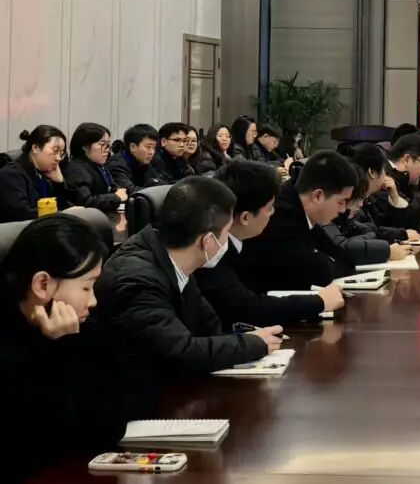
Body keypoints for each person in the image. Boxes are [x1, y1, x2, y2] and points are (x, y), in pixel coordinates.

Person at [0, 215, 153, 481]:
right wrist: (67, 349)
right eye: (86, 287)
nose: (93, 300)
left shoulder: (82, 325)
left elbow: (142, 387)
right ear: (42, 284)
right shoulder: (9, 351)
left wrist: (72, 345)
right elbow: (74, 435)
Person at [94, 176, 281, 377]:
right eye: (227, 232)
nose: (227, 241)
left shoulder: (174, 259)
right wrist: (252, 344)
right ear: (208, 241)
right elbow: (179, 353)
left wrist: (244, 339)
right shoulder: (137, 280)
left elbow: (209, 329)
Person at [194, 160, 344, 327]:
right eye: (270, 208)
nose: (274, 213)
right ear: (245, 217)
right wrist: (319, 302)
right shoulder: (211, 252)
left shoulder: (237, 241)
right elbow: (246, 308)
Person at [237, 150, 359, 292]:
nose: (343, 210)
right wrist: (327, 262)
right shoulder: (279, 215)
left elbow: (343, 258)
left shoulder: (298, 203)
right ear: (318, 196)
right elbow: (318, 274)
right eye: (341, 202)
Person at [369, 133, 420, 231]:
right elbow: (408, 219)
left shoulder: (403, 177)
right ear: (407, 159)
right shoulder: (383, 176)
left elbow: (410, 203)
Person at [0, 126, 70, 222]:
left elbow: (62, 205)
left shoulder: (45, 173)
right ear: (35, 148)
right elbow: (22, 215)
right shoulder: (11, 175)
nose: (58, 158)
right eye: (55, 151)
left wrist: (59, 183)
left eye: (61, 153)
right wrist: (60, 214)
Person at [64, 122, 126, 214]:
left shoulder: (98, 165)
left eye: (108, 145)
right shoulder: (76, 169)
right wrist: (116, 197)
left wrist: (118, 191)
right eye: (102, 144)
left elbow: (112, 188)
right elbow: (85, 202)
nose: (107, 149)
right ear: (85, 147)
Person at [106, 123, 165, 192]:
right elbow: (129, 191)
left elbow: (160, 182)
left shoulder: (147, 161)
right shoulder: (117, 165)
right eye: (148, 147)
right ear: (133, 147)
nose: (152, 152)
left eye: (154, 147)